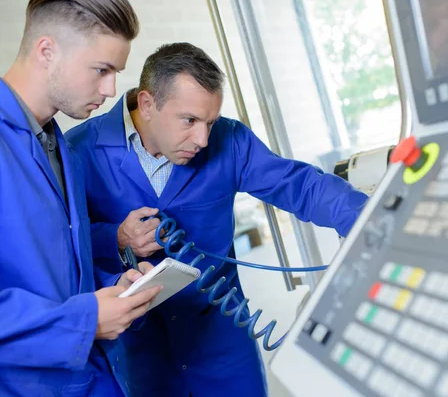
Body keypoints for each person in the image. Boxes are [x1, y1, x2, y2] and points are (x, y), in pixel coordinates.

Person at [67, 42, 369, 396]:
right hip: (140, 350)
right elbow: (61, 240)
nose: (203, 139)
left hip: (221, 338)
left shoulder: (229, 139)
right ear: (147, 104)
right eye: (190, 121)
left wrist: (372, 220)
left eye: (210, 121)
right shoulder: (79, 150)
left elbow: (300, 186)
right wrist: (116, 238)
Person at [0, 0, 162, 395]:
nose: (110, 90)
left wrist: (113, 290)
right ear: (47, 50)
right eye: (101, 70)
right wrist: (87, 320)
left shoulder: (60, 147)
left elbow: (56, 277)